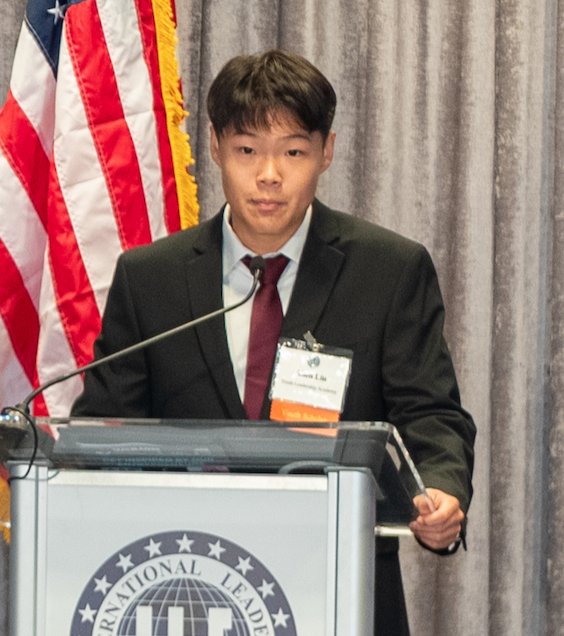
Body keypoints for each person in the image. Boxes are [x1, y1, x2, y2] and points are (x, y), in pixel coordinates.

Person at [72, 50, 476, 636]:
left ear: (326, 151)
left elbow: (431, 413)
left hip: (338, 587)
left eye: (292, 152)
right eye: (247, 150)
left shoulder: (388, 271)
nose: (268, 175)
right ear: (215, 146)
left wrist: (438, 488)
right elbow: (104, 434)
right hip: (187, 589)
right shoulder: (150, 279)